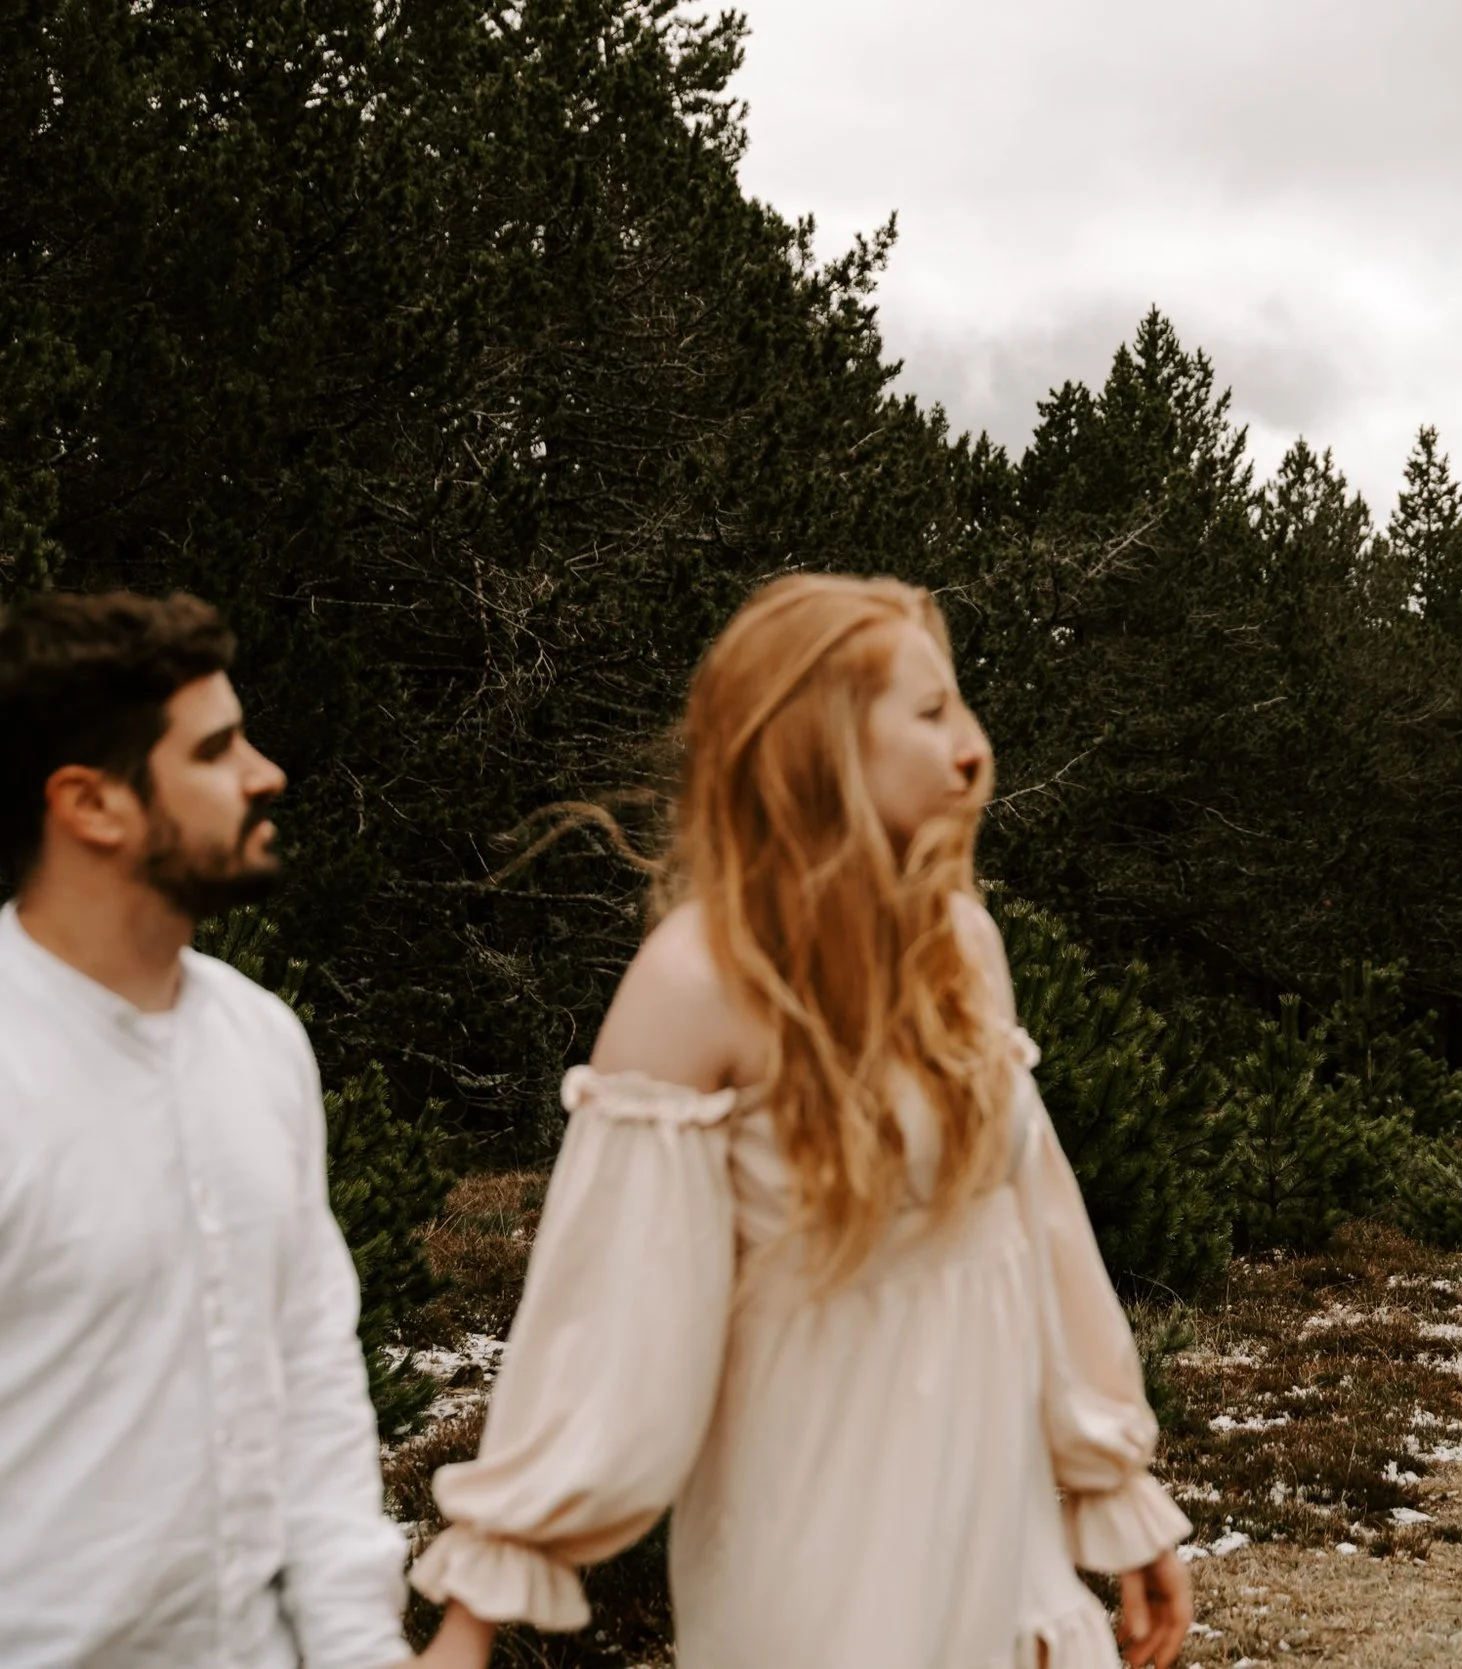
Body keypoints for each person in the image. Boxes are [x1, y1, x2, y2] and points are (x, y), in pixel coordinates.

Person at [409, 574, 1195, 1668]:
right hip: (815, 1547)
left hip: (998, 1538)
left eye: (960, 704)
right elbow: (609, 1315)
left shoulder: (960, 944)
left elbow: (1034, 1221)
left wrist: (1116, 1482)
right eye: (928, 715)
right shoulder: (698, 980)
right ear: (815, 742)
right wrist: (474, 1614)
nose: (970, 747)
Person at [0, 591, 411, 1668]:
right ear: (92, 803)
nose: (265, 773)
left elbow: (315, 1372)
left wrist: (360, 1648)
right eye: (219, 749)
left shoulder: (261, 1039)